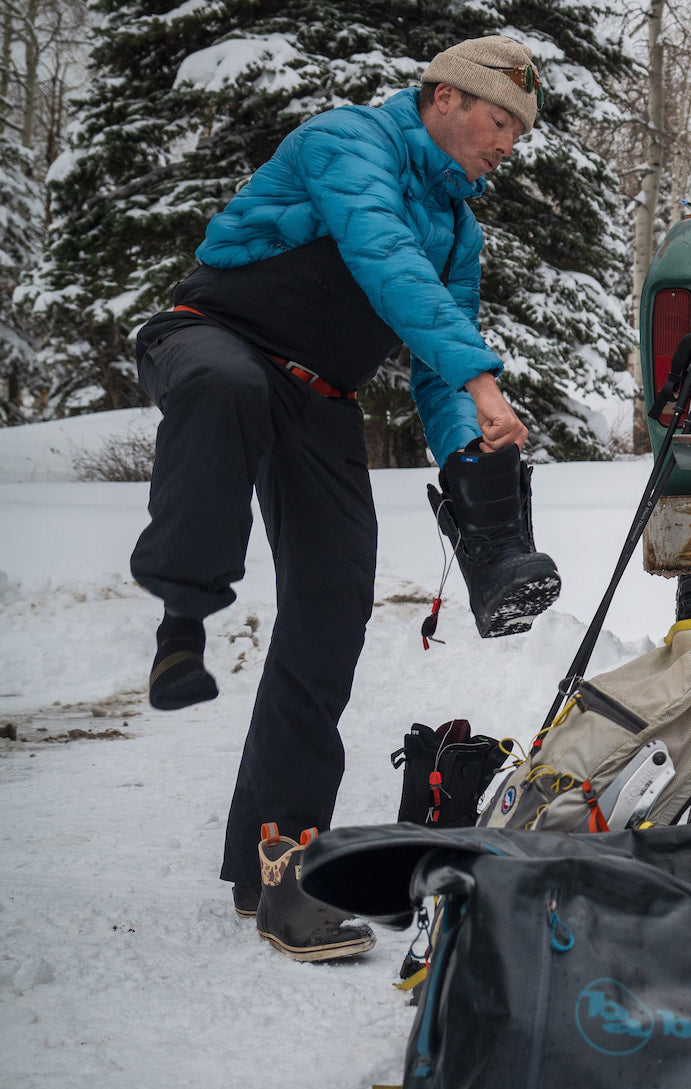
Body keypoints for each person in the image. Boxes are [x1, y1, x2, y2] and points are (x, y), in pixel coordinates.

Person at [128, 36, 563, 960]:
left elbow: (436, 376)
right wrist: (487, 380)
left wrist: (472, 449)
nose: (509, 145)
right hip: (214, 339)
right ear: (445, 98)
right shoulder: (347, 142)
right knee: (227, 389)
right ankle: (182, 615)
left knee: (332, 604)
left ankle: (275, 861)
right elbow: (381, 257)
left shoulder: (458, 227)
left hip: (319, 394)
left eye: (521, 133)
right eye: (500, 122)